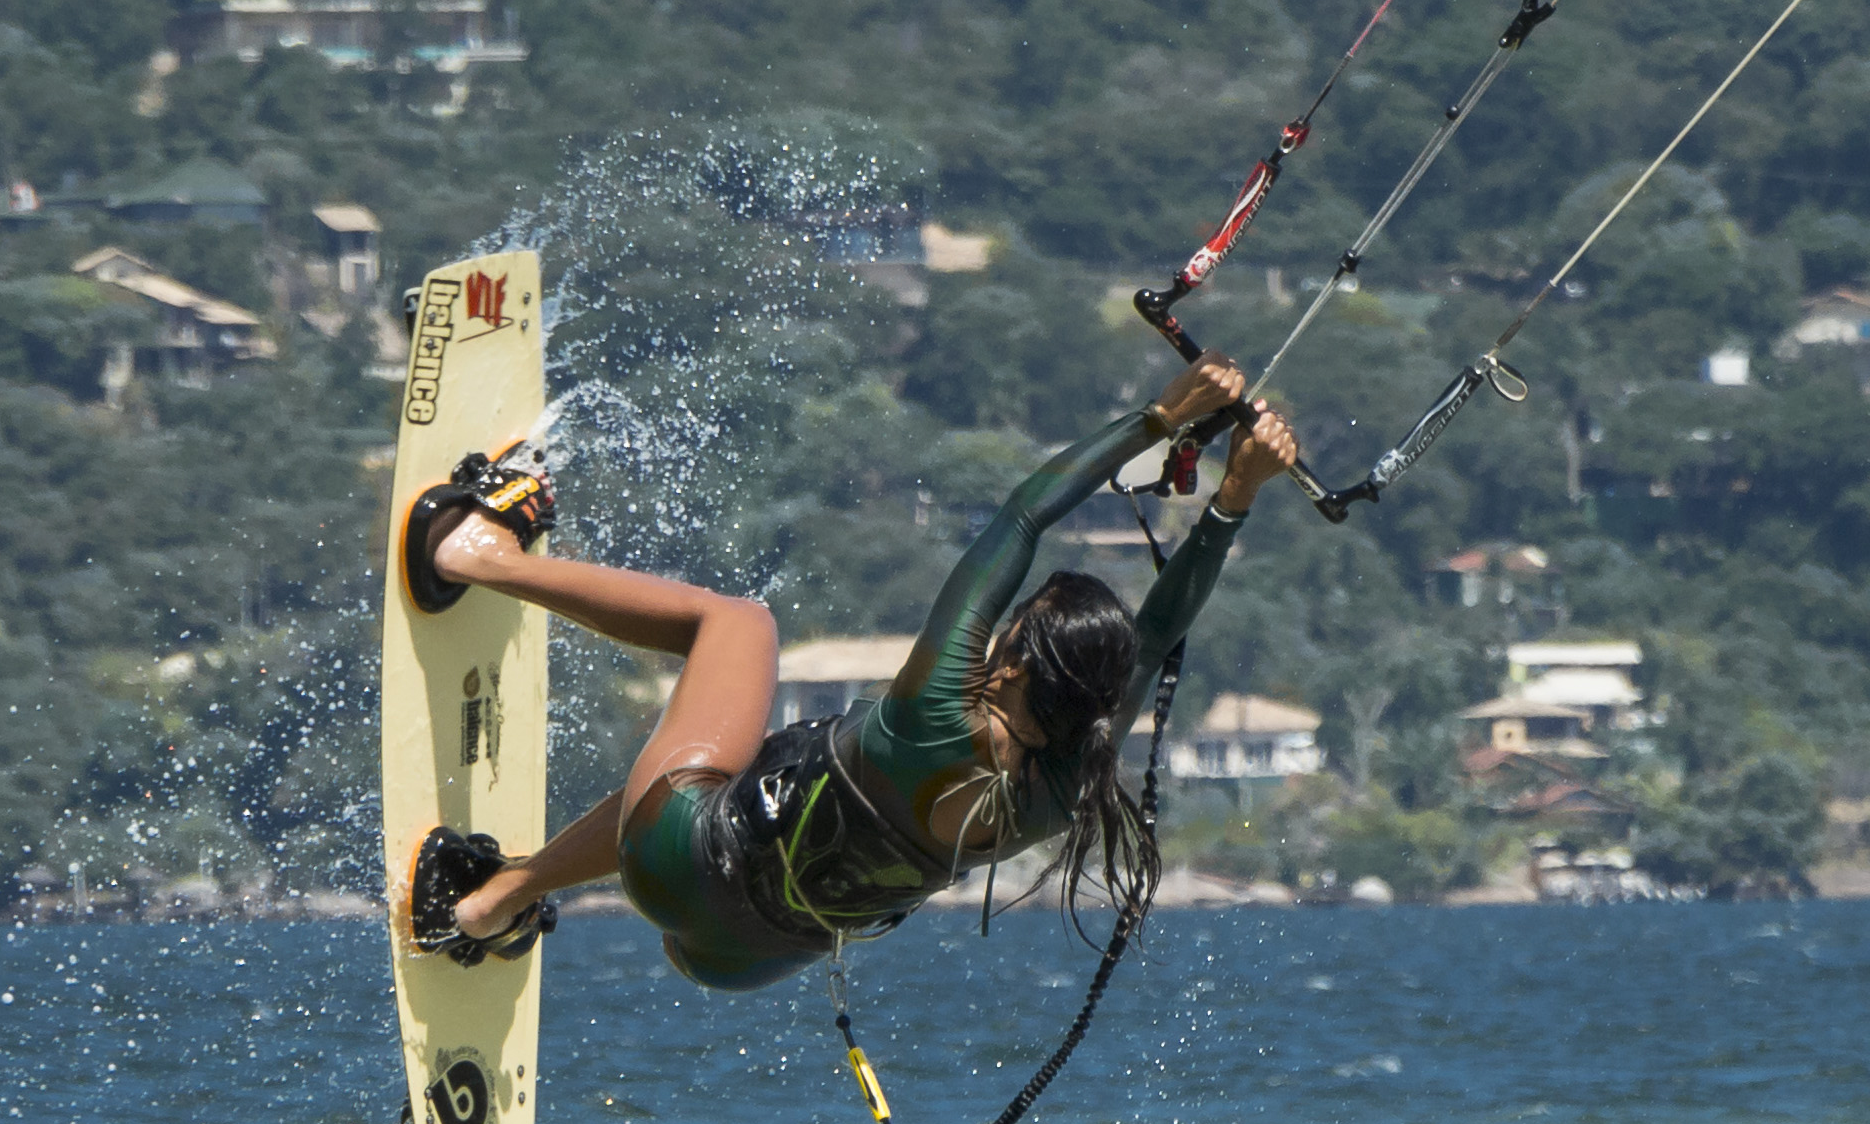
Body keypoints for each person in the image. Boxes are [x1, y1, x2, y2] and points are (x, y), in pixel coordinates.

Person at [405, 355, 1300, 992]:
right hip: (740, 957)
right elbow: (1157, 634)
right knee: (708, 779)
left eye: (1013, 629)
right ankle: (490, 903)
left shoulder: (937, 709)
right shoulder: (1062, 792)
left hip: (675, 865)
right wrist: (1235, 498)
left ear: (1016, 662)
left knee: (740, 626)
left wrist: (1157, 420)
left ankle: (478, 556)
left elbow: (1023, 518)